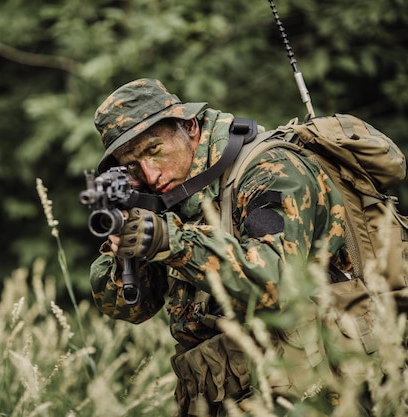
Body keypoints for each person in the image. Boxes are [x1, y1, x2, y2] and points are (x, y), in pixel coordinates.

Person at [88, 78, 360, 416]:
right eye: (131, 164)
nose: (150, 174)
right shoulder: (168, 197)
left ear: (189, 126)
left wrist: (169, 241)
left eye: (153, 149)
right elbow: (128, 309)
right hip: (222, 397)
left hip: (309, 393)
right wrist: (128, 242)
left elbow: (275, 281)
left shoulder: (269, 170)